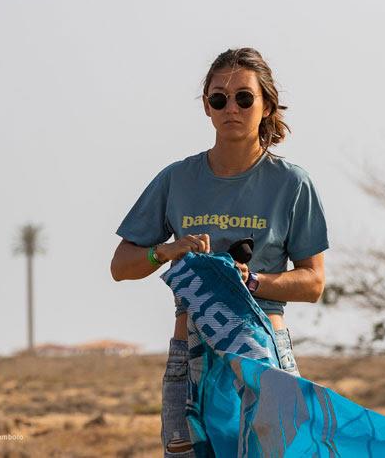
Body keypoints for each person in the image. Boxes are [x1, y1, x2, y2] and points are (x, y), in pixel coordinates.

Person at [110, 48, 329, 457]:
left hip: (264, 359)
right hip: (189, 359)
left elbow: (314, 282)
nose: (232, 107)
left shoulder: (292, 184)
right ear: (207, 108)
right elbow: (121, 266)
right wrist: (168, 250)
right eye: (219, 98)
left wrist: (252, 281)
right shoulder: (176, 179)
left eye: (244, 97)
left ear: (265, 106)